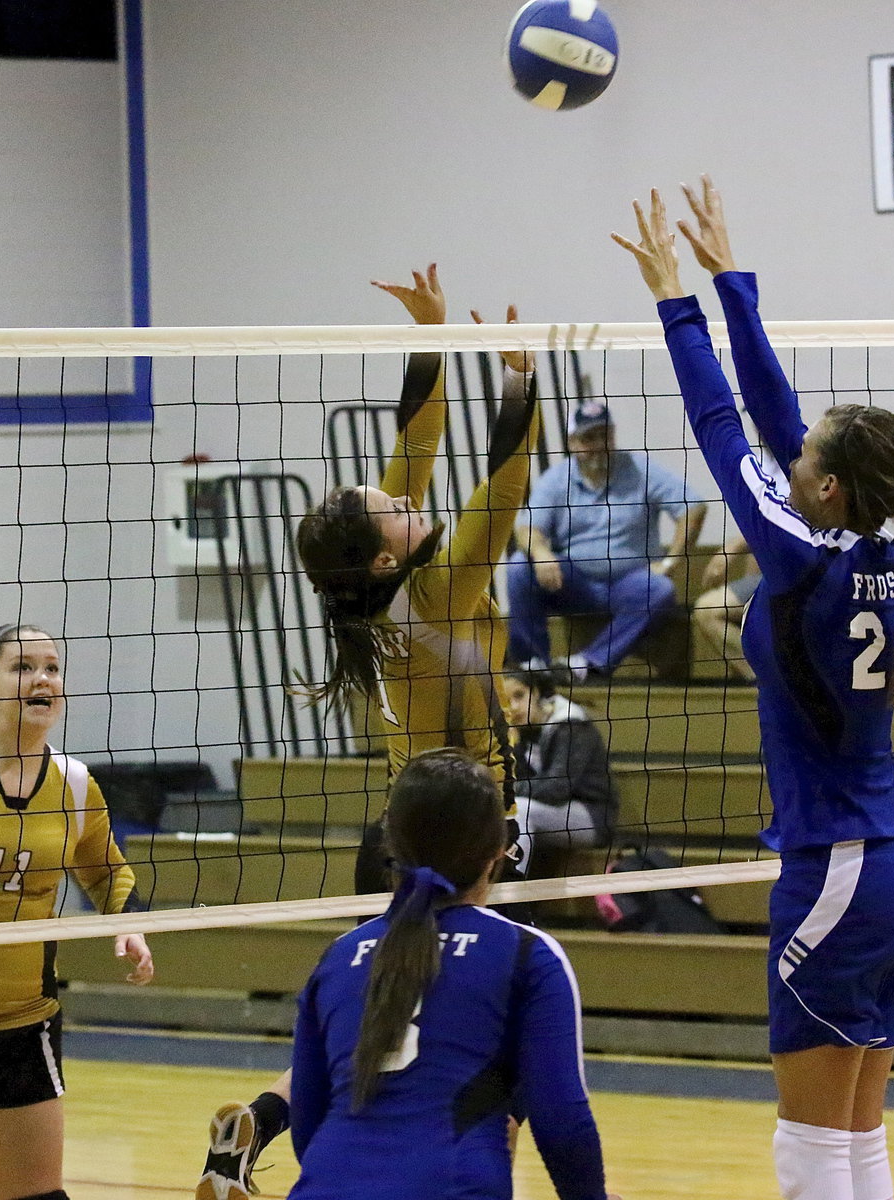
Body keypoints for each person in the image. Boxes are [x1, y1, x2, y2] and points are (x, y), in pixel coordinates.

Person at [613, 175, 894, 1200]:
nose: (789, 453)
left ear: (827, 487)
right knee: (855, 1142)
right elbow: (772, 411)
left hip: (837, 869)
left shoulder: (798, 557)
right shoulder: (867, 548)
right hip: (891, 871)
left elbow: (720, 419)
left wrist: (672, 300)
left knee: (808, 1151)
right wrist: (728, 283)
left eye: (804, 458)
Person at [198, 264, 540, 1200]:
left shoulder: (379, 589)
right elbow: (504, 491)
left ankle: (260, 1123)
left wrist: (432, 341)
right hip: (457, 845)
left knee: (383, 1031)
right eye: (388, 501)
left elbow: (414, 448)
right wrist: (518, 380)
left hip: (397, 840)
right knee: (481, 1053)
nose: (400, 491)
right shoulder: (431, 592)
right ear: (386, 548)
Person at [287, 748, 619, 1200]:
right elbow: (563, 1121)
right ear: (499, 850)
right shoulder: (527, 954)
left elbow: (307, 1122)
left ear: (389, 847)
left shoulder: (338, 955)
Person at [0, 623, 152, 1200]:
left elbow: (107, 869)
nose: (44, 678)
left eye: (52, 667)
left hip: (18, 1022)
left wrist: (130, 923)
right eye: (23, 667)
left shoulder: (73, 783)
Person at [506, 397, 706, 680]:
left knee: (660, 589)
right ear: (573, 442)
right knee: (518, 566)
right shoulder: (557, 478)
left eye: (604, 435)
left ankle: (587, 664)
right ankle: (532, 665)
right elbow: (527, 528)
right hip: (574, 583)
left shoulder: (640, 469)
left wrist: (672, 560)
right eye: (589, 438)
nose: (599, 444)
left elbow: (693, 506)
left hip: (630, 582)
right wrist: (541, 553)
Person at [502, 664, 619, 861]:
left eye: (519, 695)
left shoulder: (570, 724)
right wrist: (514, 746)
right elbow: (521, 779)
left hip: (592, 816)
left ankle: (513, 884)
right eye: (505, 701)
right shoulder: (519, 730)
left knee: (519, 809)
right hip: (553, 811)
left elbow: (558, 787)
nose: (514, 707)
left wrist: (506, 790)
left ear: (536, 692)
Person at [690, 532, 759, 681]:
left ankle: (769, 676)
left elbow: (775, 522)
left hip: (799, 577)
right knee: (706, 610)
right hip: (766, 579)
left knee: (708, 609)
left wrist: (731, 549)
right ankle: (764, 679)